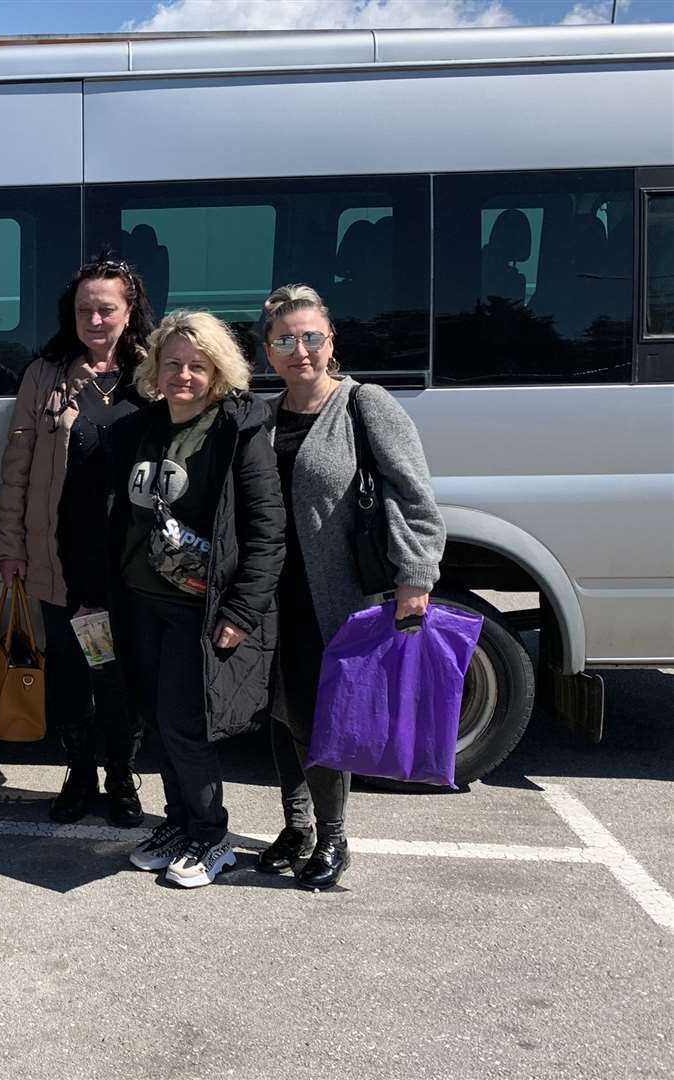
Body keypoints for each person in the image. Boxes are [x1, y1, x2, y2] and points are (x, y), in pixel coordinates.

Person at [257, 283, 446, 890]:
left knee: (321, 715)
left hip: (336, 593)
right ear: (268, 351)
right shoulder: (263, 415)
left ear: (331, 340)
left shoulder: (366, 404)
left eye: (311, 337)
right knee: (279, 707)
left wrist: (415, 577)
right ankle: (297, 825)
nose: (300, 350)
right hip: (271, 590)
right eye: (285, 340)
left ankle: (334, 836)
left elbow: (413, 494)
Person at [106, 310, 284, 888]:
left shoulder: (239, 431)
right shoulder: (143, 426)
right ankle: (178, 822)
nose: (184, 375)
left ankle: (211, 836)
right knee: (157, 720)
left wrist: (240, 612)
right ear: (155, 368)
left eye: (198, 365)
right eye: (174, 363)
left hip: (199, 608)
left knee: (186, 723)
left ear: (219, 371)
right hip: (139, 601)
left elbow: (266, 531)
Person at [0, 257, 153, 826]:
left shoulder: (154, 372)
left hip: (131, 559)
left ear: (129, 312)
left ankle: (122, 777)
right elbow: (16, 468)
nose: (95, 318)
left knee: (121, 672)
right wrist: (9, 545)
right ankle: (79, 773)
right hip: (60, 550)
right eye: (84, 308)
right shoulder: (46, 374)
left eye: (107, 308)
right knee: (70, 669)